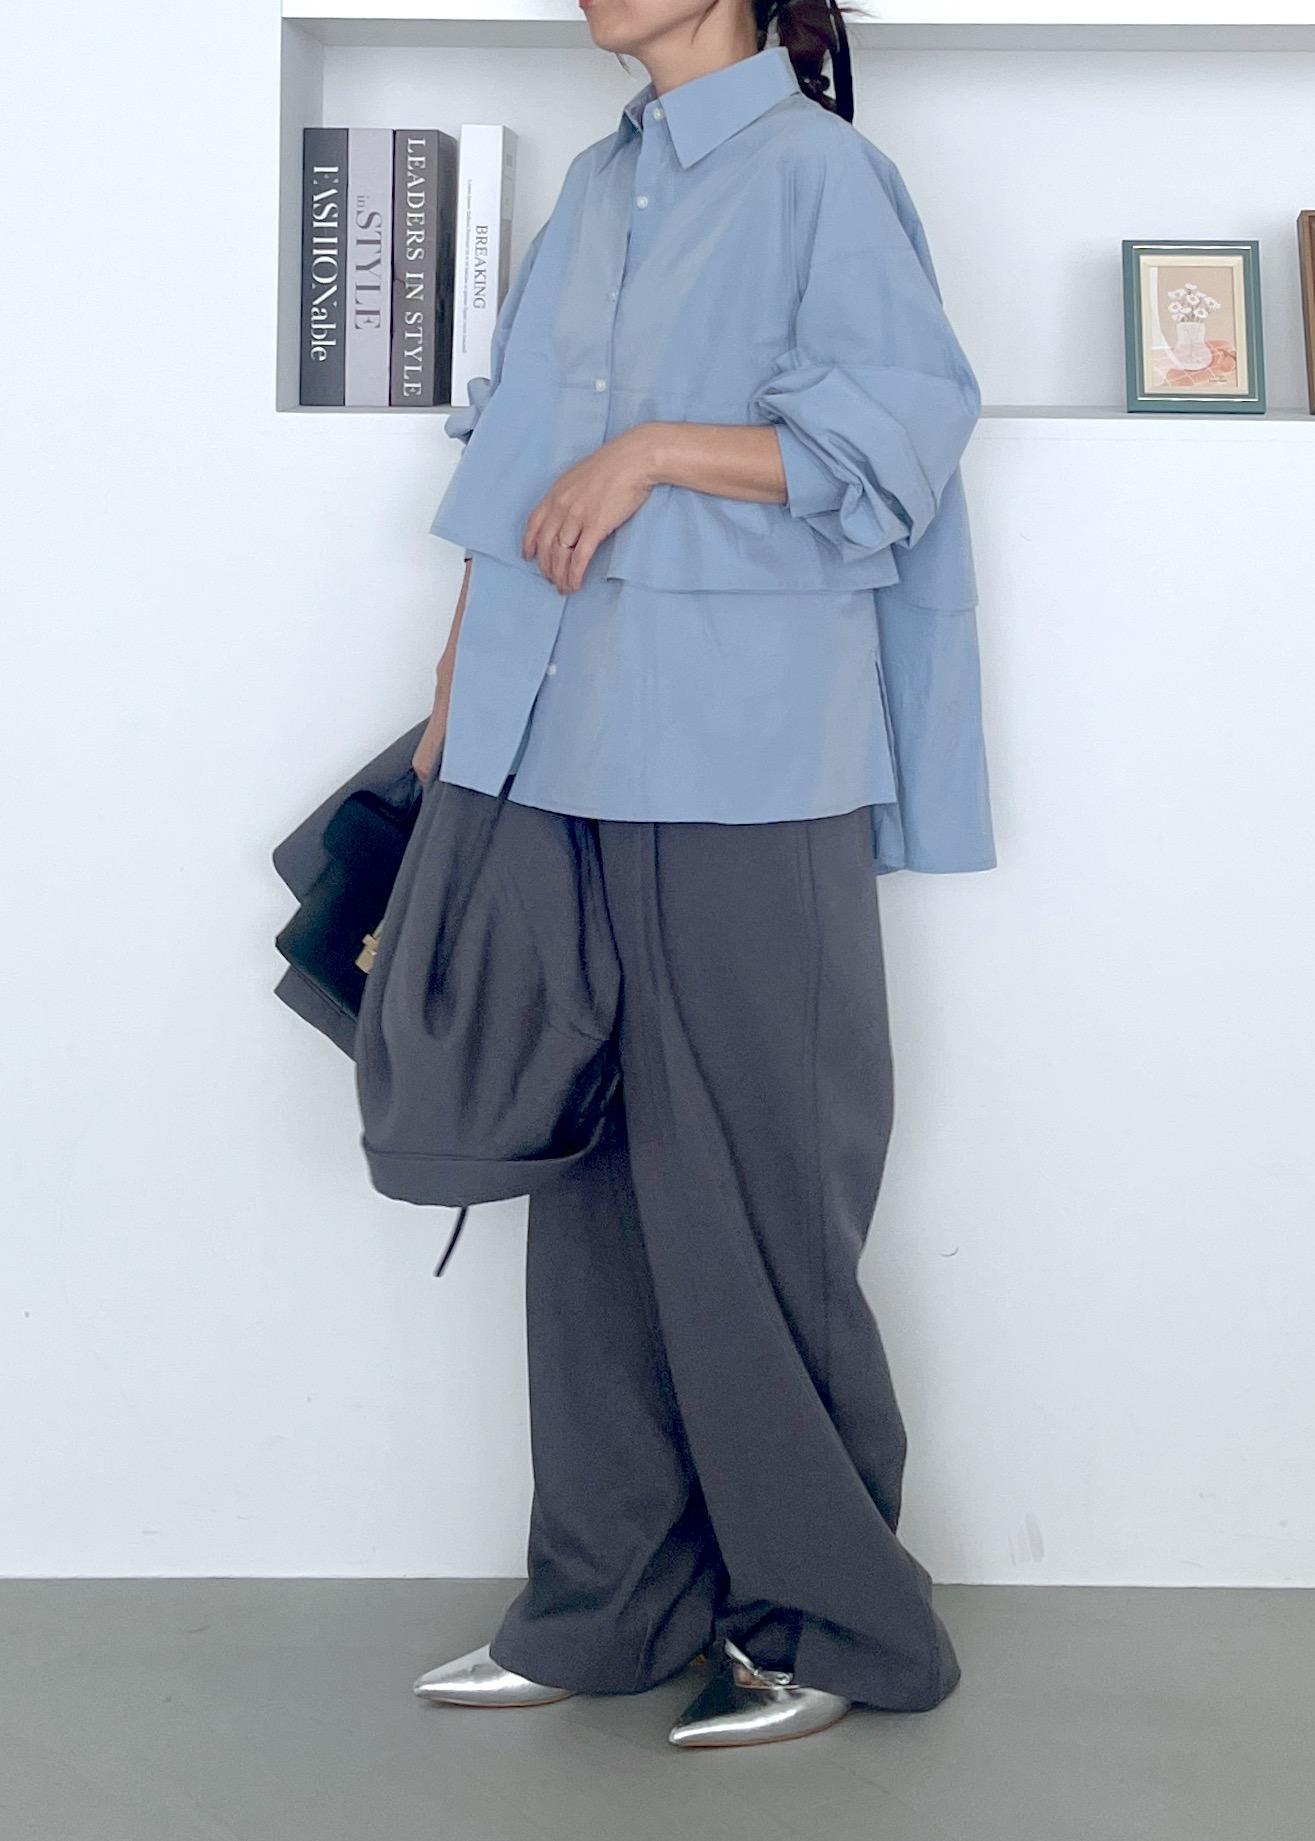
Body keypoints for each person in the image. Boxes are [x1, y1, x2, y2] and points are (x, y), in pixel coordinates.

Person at [404, 0, 995, 1751]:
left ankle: (836, 1619)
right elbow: (513, 470)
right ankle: (606, 1606)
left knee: (761, 1199)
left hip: (750, 758)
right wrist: (457, 701)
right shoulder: (601, 185)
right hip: (564, 739)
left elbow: (896, 438)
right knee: (589, 1193)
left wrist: (656, 446)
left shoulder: (820, 174)